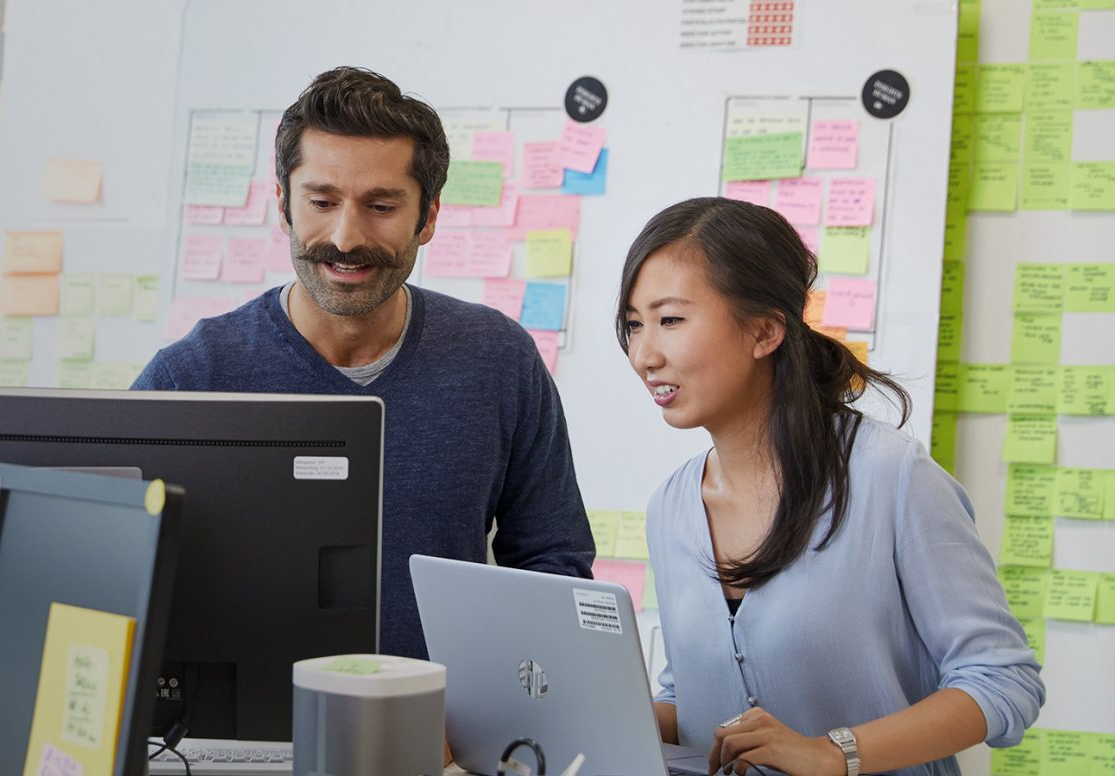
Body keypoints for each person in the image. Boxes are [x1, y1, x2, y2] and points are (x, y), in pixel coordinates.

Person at [133, 66, 594, 660]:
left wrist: (497, 691)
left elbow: (554, 565)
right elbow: (112, 567)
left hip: (443, 717)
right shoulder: (192, 377)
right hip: (242, 716)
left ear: (428, 217)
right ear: (284, 206)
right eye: (322, 202)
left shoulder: (498, 360)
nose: (346, 238)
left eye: (380, 206)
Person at [618, 197, 1044, 776]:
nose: (644, 355)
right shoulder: (670, 508)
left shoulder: (892, 478)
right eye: (634, 325)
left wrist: (833, 753)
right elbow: (693, 696)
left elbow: (1002, 679)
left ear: (765, 330)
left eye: (670, 320)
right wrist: (606, 712)